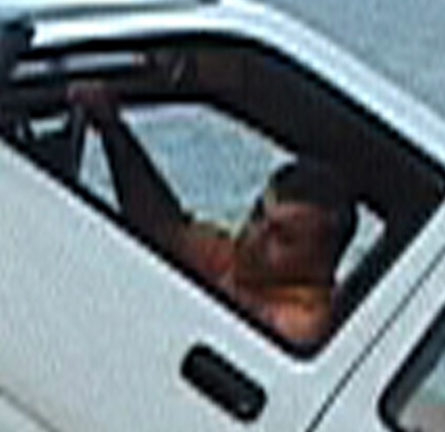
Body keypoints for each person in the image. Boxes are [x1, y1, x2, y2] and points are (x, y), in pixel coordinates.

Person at [70, 82, 359, 350]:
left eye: (282, 239)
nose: (256, 237)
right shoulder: (240, 263)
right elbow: (164, 230)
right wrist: (112, 128)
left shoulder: (300, 323)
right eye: (258, 216)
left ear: (322, 264)